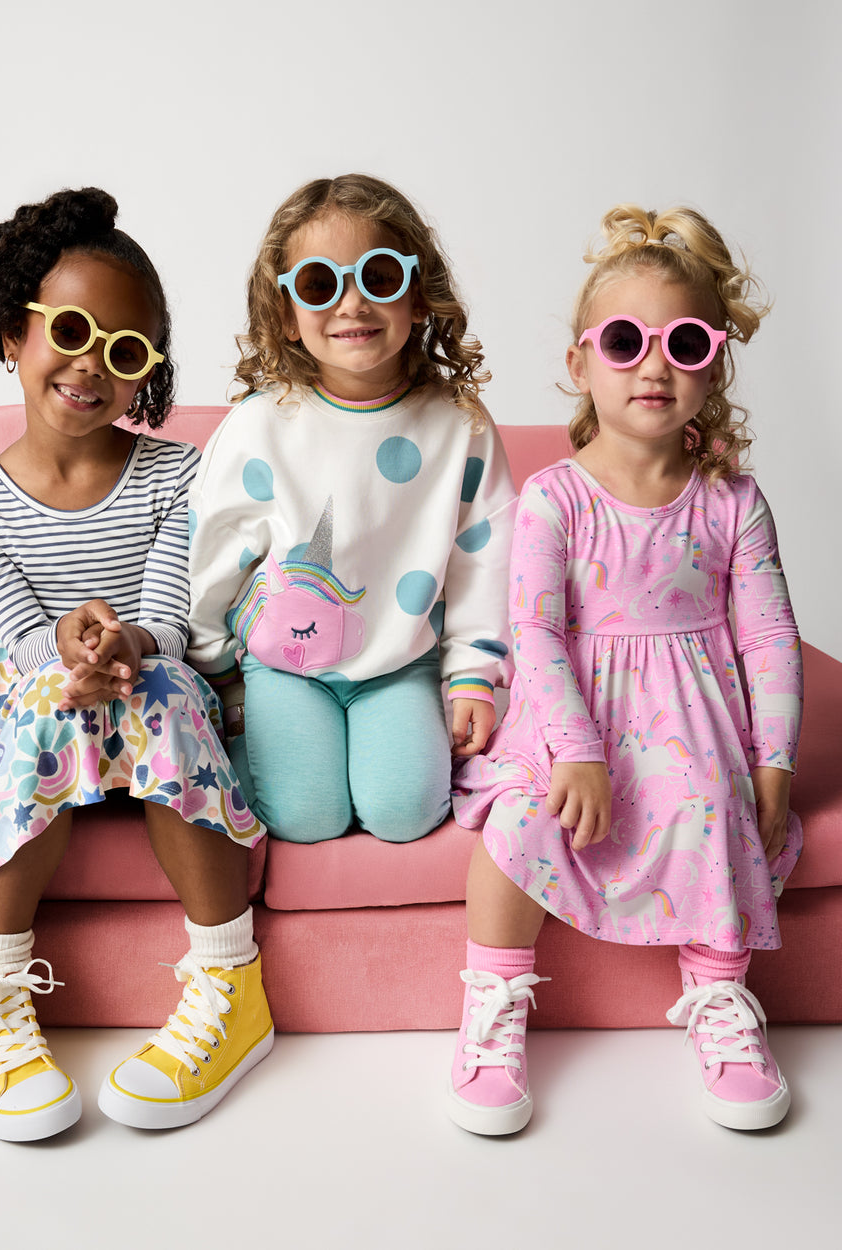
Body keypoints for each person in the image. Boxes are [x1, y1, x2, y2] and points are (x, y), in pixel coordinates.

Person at [0, 188, 271, 1142]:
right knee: (47, 688)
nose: (93, 367)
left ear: (146, 378)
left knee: (160, 683)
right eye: (72, 332)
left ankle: (229, 980)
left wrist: (124, 644)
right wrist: (72, 651)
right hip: (45, 708)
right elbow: (18, 635)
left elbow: (165, 617)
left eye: (127, 354)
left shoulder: (176, 473)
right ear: (13, 334)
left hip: (147, 695)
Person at [449, 205, 802, 1136]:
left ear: (714, 363)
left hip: (689, 717)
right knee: (521, 820)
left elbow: (768, 636)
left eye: (685, 343)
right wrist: (576, 751)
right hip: (572, 718)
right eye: (624, 340)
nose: (654, 365)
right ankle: (493, 1005)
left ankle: (721, 997)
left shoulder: (732, 501)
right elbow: (536, 629)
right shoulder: (553, 500)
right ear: (580, 364)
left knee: (711, 801)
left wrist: (774, 765)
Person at [188, 174, 517, 843]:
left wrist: (473, 676)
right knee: (308, 819)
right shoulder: (259, 427)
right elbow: (213, 555)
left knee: (405, 814)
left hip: (403, 664)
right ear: (286, 313)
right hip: (281, 670)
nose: (352, 303)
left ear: (418, 294)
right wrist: (219, 675)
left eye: (379, 275)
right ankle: (230, 765)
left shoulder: (460, 425)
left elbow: (483, 560)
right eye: (319, 285)